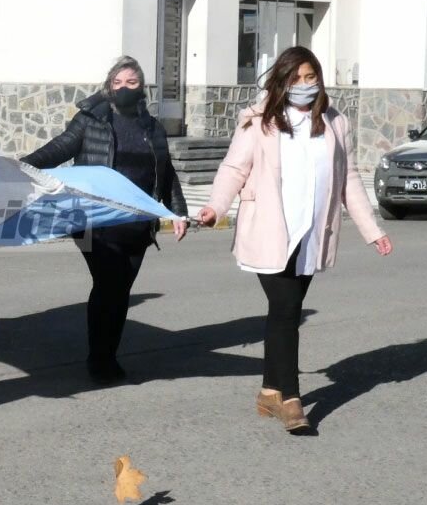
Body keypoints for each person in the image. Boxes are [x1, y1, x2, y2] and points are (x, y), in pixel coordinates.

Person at [196, 46, 393, 434]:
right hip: (269, 231)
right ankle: (291, 400)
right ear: (282, 82)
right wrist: (214, 208)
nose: (304, 85)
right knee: (287, 310)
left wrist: (373, 230)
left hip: (312, 233)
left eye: (310, 77)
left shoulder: (335, 123)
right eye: (295, 78)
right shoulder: (260, 122)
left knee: (282, 312)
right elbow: (234, 168)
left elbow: (349, 180)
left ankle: (269, 391)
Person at [22, 56, 187, 384]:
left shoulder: (151, 127)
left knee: (121, 290)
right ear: (108, 85)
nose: (124, 88)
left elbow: (165, 172)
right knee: (109, 283)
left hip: (137, 224)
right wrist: (23, 166)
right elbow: (60, 148)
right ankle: (99, 359)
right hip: (95, 219)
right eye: (118, 82)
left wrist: (177, 211)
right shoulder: (92, 120)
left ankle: (108, 354)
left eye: (131, 82)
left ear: (142, 87)